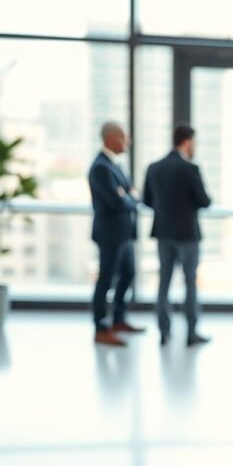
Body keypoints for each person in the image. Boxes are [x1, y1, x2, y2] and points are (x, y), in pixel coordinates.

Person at [143, 124, 212, 347]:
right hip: (187, 235)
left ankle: (164, 332)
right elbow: (204, 201)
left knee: (164, 282)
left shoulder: (154, 168)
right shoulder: (190, 169)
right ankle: (191, 333)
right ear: (187, 142)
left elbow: (146, 201)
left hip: (163, 233)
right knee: (190, 282)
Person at [88, 121, 144, 346]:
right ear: (111, 138)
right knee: (106, 280)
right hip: (110, 235)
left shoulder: (114, 165)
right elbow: (118, 202)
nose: (128, 142)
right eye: (124, 137)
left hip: (123, 234)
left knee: (128, 274)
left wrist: (128, 195)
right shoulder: (100, 167)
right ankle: (101, 327)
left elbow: (132, 193)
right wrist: (128, 196)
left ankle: (118, 319)